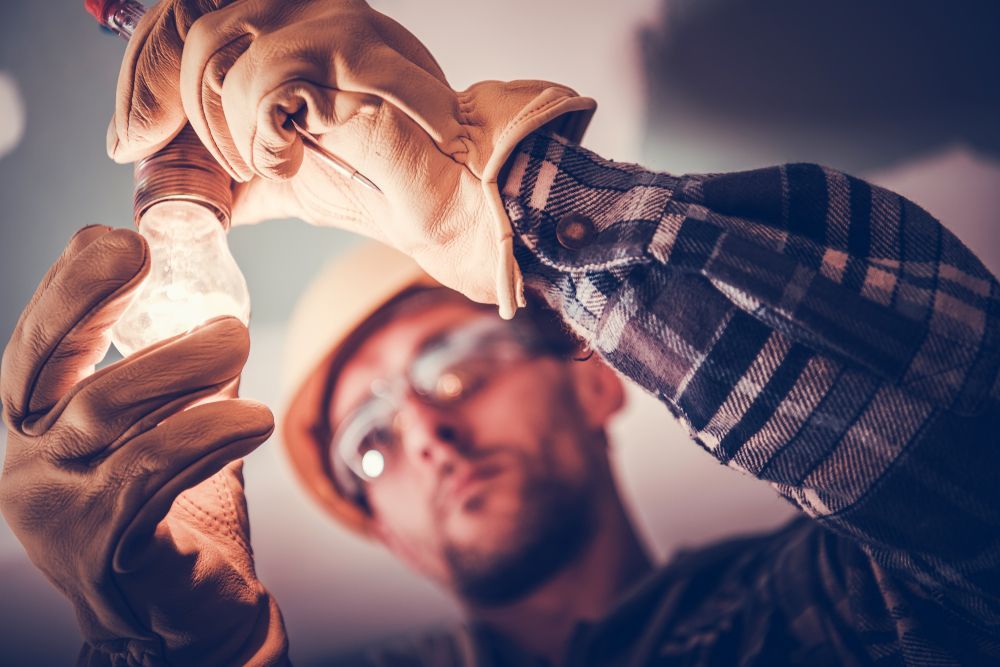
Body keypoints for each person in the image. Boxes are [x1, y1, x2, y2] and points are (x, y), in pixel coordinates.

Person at [1, 0, 998, 665]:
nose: (426, 437)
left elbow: (968, 453)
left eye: (448, 367)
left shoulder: (832, 606)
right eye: (371, 445)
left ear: (598, 379)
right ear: (377, 527)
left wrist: (494, 198)